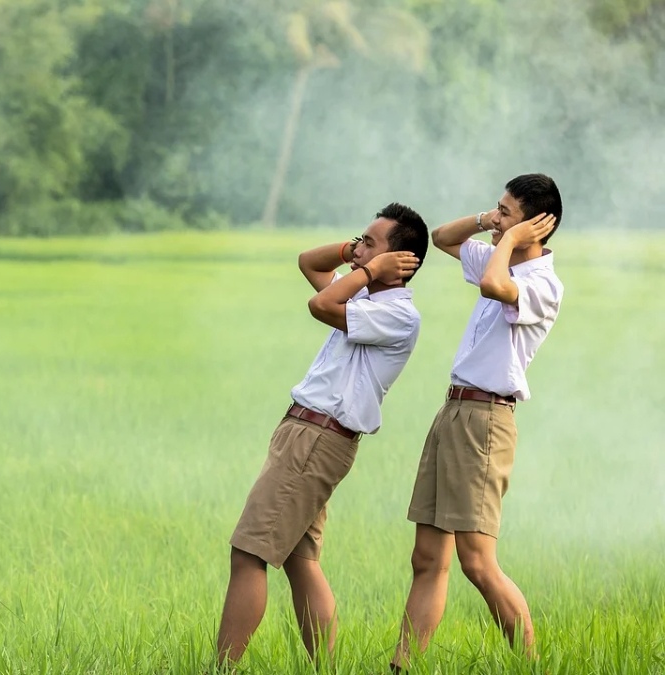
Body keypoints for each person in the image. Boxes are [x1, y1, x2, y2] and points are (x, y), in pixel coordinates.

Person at [216, 203, 429, 666]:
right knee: (299, 560)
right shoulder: (365, 297)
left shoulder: (397, 315)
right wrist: (356, 252)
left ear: (400, 261)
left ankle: (220, 668)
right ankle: (326, 668)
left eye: (371, 242)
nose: (358, 250)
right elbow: (308, 263)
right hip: (306, 433)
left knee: (248, 553)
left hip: (317, 438)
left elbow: (320, 304)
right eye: (360, 240)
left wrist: (369, 269)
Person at [390, 174, 563, 670]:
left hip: (487, 419)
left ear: (534, 226)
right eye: (497, 209)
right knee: (427, 558)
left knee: (477, 562)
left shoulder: (542, 283)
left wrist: (509, 239)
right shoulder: (498, 254)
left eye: (507, 211)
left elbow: (493, 284)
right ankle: (403, 665)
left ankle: (529, 663)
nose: (495, 218)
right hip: (454, 411)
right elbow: (443, 238)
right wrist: (492, 223)